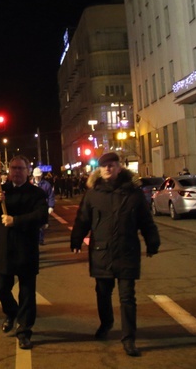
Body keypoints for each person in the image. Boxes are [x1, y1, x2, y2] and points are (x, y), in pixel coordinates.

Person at [70, 152, 160, 357]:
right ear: (99, 170)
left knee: (128, 297)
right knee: (102, 293)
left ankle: (129, 338)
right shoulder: (93, 194)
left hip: (127, 251)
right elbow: (83, 219)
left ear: (119, 167)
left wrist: (152, 241)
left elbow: (146, 221)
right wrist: (76, 239)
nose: (108, 168)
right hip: (101, 251)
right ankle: (106, 323)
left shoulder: (133, 193)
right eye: (104, 166)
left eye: (112, 165)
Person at [0, 155, 48, 350]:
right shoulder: (1, 191)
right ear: (9, 171)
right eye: (13, 168)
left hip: (26, 248)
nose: (17, 172)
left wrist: (16, 221)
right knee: (1, 287)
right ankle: (11, 312)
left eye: (21, 168)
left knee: (27, 293)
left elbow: (41, 216)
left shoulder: (36, 193)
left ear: (27, 171)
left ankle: (24, 330)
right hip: (4, 249)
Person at [32, 167, 55, 245]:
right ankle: (34, 239)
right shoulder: (30, 184)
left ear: (41, 175)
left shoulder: (46, 184)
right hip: (32, 207)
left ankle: (40, 240)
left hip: (43, 207)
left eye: (39, 176)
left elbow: (51, 196)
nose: (37, 177)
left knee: (42, 224)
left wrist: (51, 206)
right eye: (36, 176)